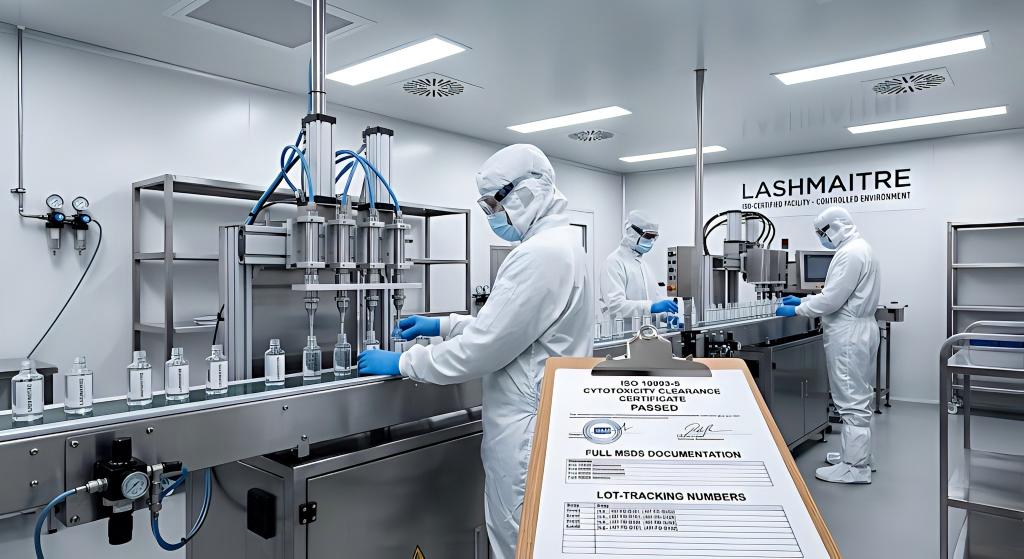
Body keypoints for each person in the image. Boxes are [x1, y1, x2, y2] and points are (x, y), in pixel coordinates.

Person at [357, 144, 594, 558]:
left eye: (491, 204)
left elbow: (482, 349)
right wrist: (444, 323)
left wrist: (403, 362)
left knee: (521, 541)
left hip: (526, 431)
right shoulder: (565, 245)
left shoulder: (539, 255)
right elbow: (514, 330)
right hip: (545, 417)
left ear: (523, 192)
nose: (491, 217)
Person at [776, 206, 881, 484]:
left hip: (848, 334)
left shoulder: (849, 253)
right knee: (860, 394)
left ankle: (854, 468)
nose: (822, 239)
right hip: (862, 328)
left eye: (822, 233)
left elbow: (832, 300)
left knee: (850, 398)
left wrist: (798, 310)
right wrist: (802, 301)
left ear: (834, 228)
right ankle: (859, 456)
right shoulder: (861, 248)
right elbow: (837, 294)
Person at [600, 210, 679, 327]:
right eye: (648, 236)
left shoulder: (644, 266)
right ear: (632, 232)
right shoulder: (614, 262)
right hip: (624, 337)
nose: (651, 241)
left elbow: (654, 300)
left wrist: (665, 316)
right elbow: (615, 306)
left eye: (654, 237)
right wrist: (651, 307)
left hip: (649, 336)